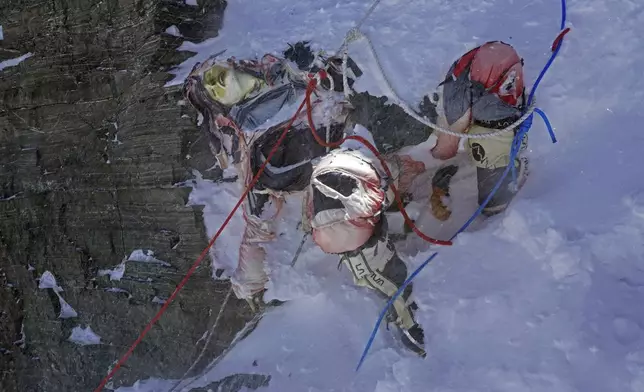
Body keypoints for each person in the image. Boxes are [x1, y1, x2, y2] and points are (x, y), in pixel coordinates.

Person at [182, 42, 427, 356]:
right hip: (318, 163)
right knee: (342, 208)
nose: (220, 82)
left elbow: (327, 80)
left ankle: (397, 217)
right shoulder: (252, 138)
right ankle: (400, 302)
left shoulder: (270, 87)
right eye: (216, 85)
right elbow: (258, 225)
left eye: (219, 78)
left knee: (337, 201)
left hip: (315, 153)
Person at [416, 40, 530, 220]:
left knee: (486, 133)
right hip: (482, 99)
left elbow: (446, 149)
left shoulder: (466, 99)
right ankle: (499, 172)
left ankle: (503, 168)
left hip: (490, 94)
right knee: (484, 134)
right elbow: (445, 149)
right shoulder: (457, 107)